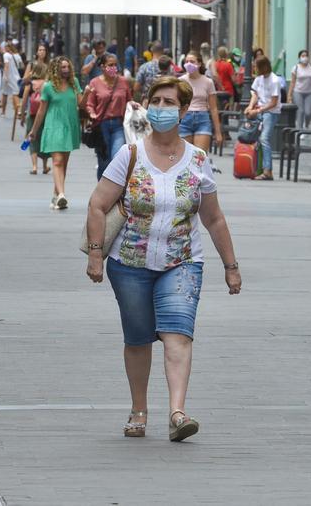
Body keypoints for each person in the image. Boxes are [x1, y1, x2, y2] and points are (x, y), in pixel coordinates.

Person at [84, 75, 241, 443]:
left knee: (178, 334)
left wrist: (231, 266)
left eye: (170, 103)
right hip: (129, 263)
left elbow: (214, 218)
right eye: (156, 101)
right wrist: (95, 255)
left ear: (184, 110)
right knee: (138, 339)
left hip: (182, 260)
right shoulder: (131, 153)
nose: (161, 108)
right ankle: (139, 409)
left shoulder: (198, 159)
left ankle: (177, 412)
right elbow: (97, 204)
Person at [27, 56, 82, 210]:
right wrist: (33, 130)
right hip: (54, 126)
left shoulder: (74, 83)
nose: (66, 70)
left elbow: (81, 104)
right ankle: (62, 195)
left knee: (63, 163)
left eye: (67, 67)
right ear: (56, 69)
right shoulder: (48, 87)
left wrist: (89, 93)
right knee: (57, 161)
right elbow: (41, 110)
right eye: (62, 67)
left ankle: (55, 195)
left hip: (70, 126)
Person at [84, 53, 135, 180]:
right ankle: (102, 191)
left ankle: (115, 193)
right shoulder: (94, 83)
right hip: (101, 125)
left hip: (119, 124)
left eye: (115, 65)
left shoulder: (123, 81)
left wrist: (133, 104)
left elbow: (129, 99)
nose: (113, 67)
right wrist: (91, 112)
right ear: (102, 67)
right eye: (110, 65)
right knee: (104, 161)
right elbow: (90, 104)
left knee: (117, 158)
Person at [244, 56, 281, 181]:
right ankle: (256, 168)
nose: (254, 69)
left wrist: (257, 110)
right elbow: (255, 94)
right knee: (254, 138)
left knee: (264, 139)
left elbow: (274, 102)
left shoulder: (274, 80)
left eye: (256, 66)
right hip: (259, 110)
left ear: (264, 67)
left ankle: (267, 170)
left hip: (271, 112)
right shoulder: (259, 79)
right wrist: (250, 107)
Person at [178, 52, 223, 154]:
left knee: (199, 157)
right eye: (187, 61)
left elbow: (214, 108)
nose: (189, 64)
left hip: (202, 119)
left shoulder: (208, 82)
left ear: (199, 64)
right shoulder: (180, 81)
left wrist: (218, 132)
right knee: (184, 156)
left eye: (192, 61)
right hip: (185, 118)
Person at [21, 62, 52, 175]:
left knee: (31, 139)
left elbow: (24, 99)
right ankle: (44, 166)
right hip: (45, 114)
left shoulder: (31, 83)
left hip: (32, 114)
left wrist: (22, 114)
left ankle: (34, 166)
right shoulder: (47, 83)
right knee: (44, 140)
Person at [289, 49, 311, 129]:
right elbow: (292, 82)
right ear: (299, 58)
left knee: (308, 112)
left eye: (306, 56)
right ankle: (300, 130)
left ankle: (306, 125)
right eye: (303, 56)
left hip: (309, 92)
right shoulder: (295, 68)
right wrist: (289, 95)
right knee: (300, 111)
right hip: (298, 92)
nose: (305, 58)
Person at [0, 41, 23, 118]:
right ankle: (18, 112)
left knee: (5, 94)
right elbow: (21, 66)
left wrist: (5, 76)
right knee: (16, 94)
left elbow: (6, 65)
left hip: (8, 77)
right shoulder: (17, 55)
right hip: (16, 77)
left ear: (7, 48)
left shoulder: (6, 55)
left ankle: (3, 112)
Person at [212, 46, 237, 110]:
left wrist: (220, 85)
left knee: (220, 109)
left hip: (219, 90)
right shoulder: (228, 65)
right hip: (228, 90)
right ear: (226, 54)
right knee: (229, 109)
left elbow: (214, 76)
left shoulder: (215, 64)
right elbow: (234, 80)